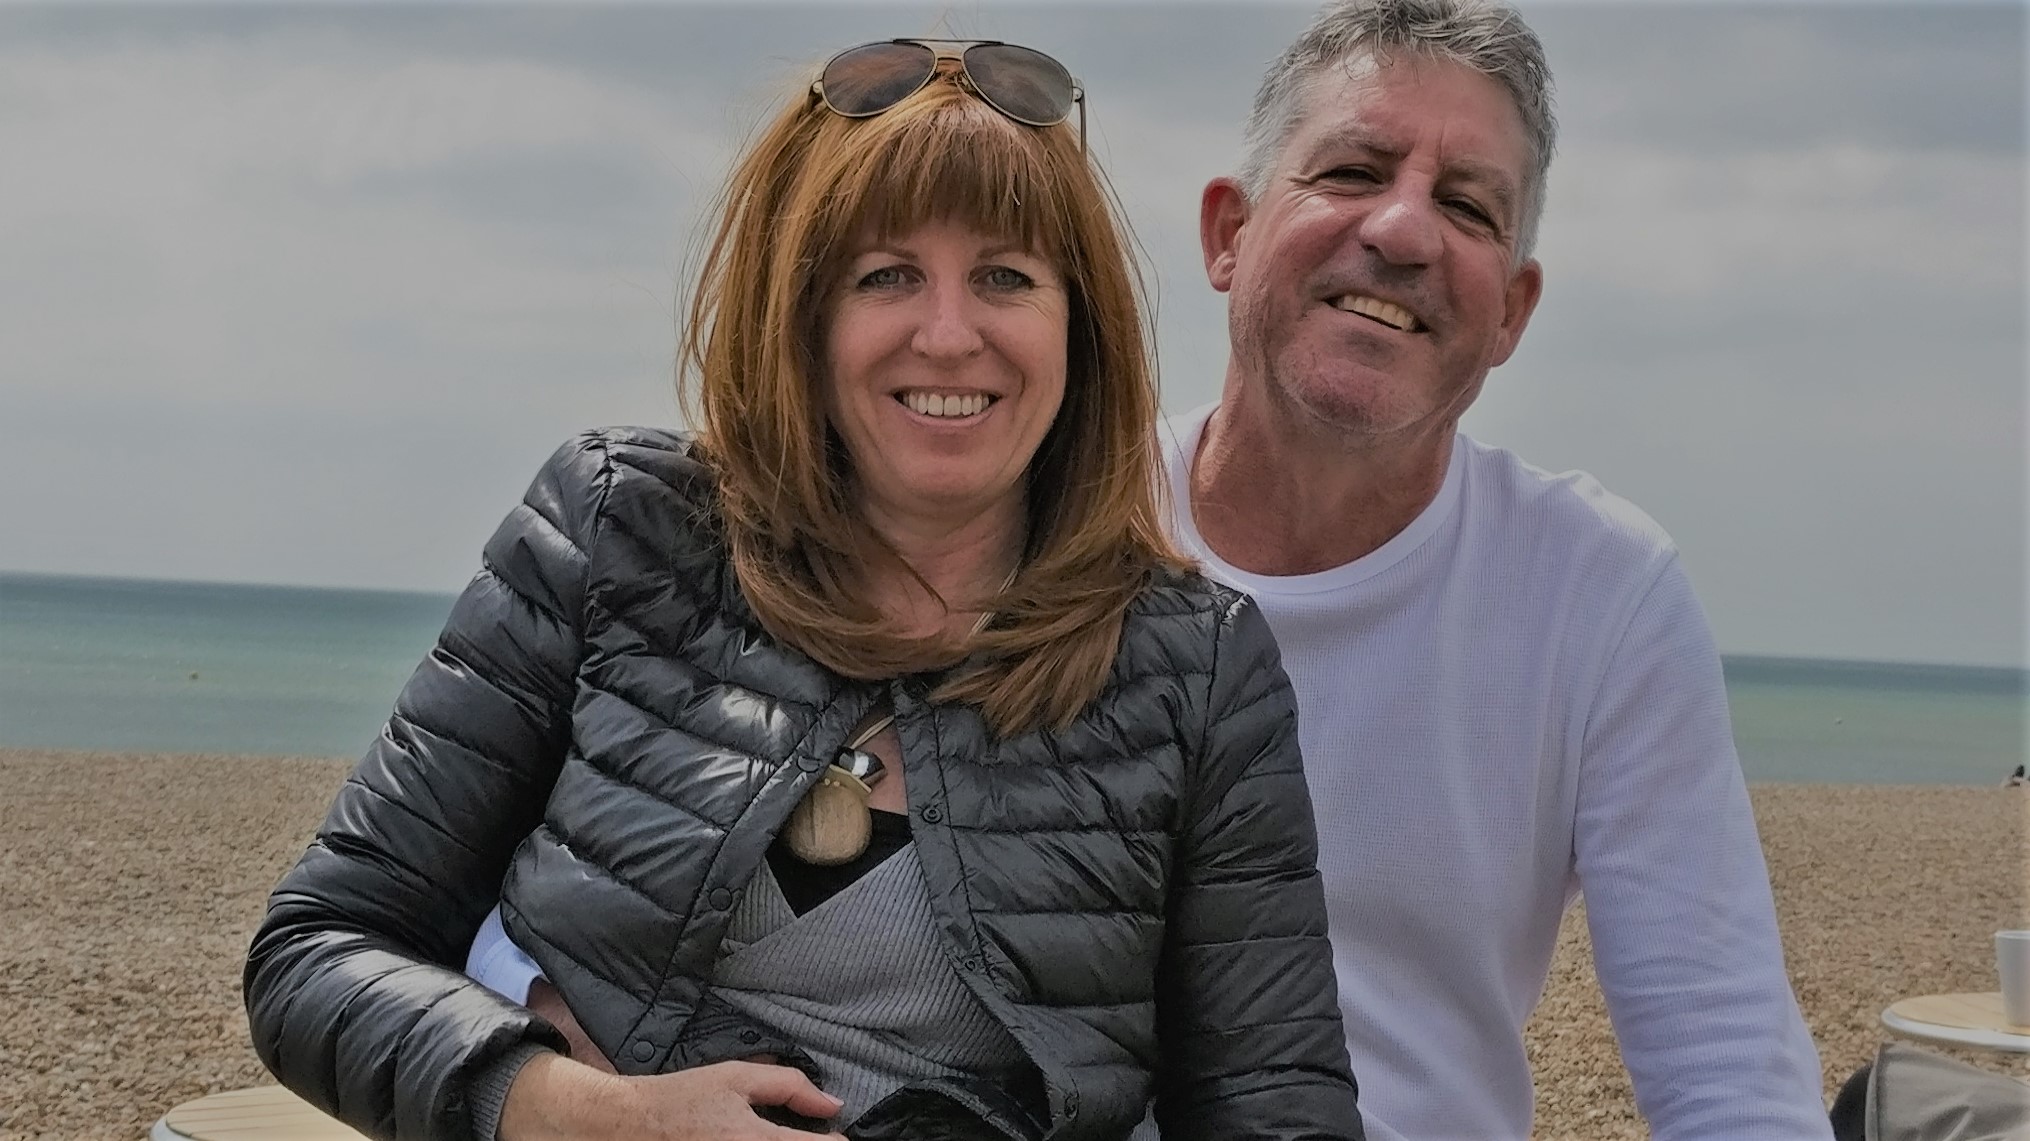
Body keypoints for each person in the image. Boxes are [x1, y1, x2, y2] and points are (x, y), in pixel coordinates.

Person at [244, 39, 1362, 1141]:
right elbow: (319, 947)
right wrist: (587, 1115)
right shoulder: (617, 527)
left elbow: (1278, 1107)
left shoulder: (1195, 664)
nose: (948, 334)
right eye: (886, 276)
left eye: (1005, 277)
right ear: (802, 316)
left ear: (1081, 325)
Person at [1166, 1, 1834, 1139]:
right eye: (1352, 170)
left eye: (1469, 207)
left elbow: (1724, 1058)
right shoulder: (1068, 522)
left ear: (1513, 313)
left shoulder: (1594, 592)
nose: (1402, 231)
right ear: (1228, 233)